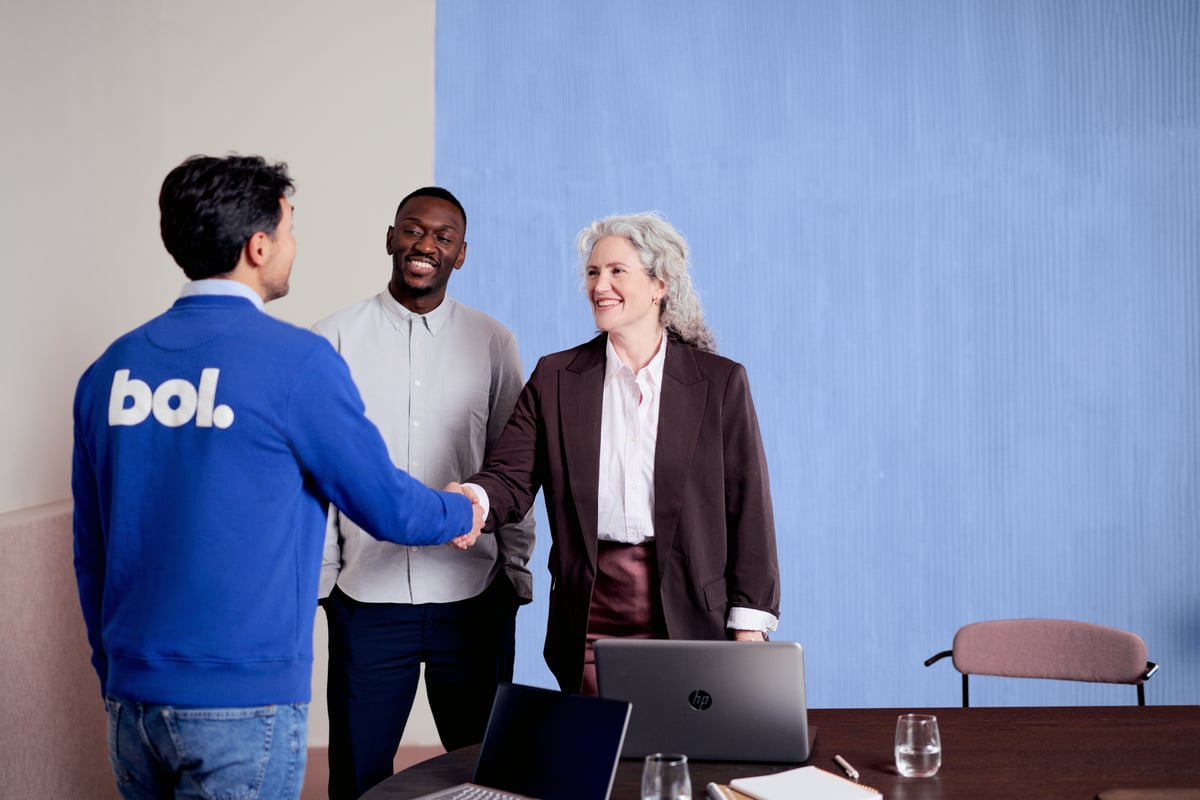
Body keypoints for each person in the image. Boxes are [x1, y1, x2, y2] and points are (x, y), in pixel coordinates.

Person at [71, 155, 482, 800]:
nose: (294, 246)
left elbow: (91, 548)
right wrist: (464, 510)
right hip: (241, 700)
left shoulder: (110, 371)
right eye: (289, 229)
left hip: (132, 698)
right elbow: (389, 508)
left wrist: (112, 670)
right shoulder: (295, 362)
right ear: (258, 246)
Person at [464, 212, 781, 695]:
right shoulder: (556, 378)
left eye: (616, 271)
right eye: (592, 272)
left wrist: (750, 624)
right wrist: (471, 501)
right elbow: (510, 475)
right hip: (592, 607)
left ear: (660, 284)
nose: (600, 285)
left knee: (687, 755)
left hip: (694, 611)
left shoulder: (719, 383)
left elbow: (749, 508)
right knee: (601, 754)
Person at [313, 187, 535, 799]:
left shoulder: (493, 342)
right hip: (366, 595)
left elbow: (513, 465)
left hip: (471, 595)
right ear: (391, 237)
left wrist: (514, 573)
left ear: (461, 254)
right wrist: (327, 582)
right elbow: (318, 470)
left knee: (488, 774)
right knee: (358, 778)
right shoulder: (331, 338)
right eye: (414, 231)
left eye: (442, 237)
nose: (425, 246)